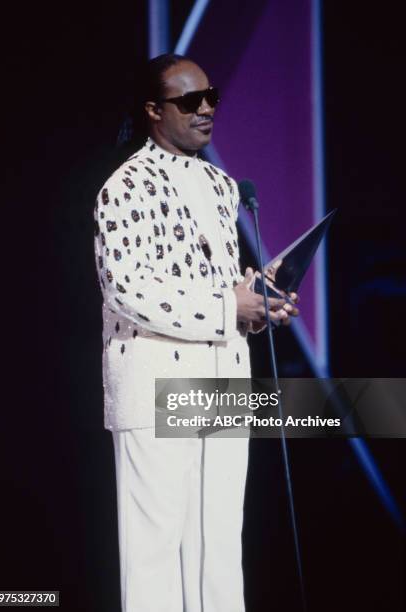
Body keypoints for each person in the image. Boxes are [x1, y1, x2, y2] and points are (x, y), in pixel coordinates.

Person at [93, 53, 299, 612]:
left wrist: (257, 303)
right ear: (154, 111)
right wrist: (225, 302)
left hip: (222, 379)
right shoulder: (125, 187)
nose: (206, 109)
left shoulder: (219, 185)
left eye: (211, 97)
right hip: (155, 380)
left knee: (219, 548)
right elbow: (129, 289)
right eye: (190, 101)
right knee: (156, 553)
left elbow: (213, 284)